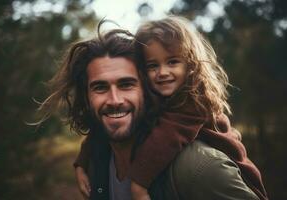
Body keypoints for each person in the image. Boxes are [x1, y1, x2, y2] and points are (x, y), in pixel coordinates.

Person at [73, 17, 268, 200]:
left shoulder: (192, 107)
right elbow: (99, 130)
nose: (163, 72)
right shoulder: (102, 157)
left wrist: (139, 184)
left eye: (126, 84)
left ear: (191, 65)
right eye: (152, 65)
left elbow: (167, 137)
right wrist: (82, 161)